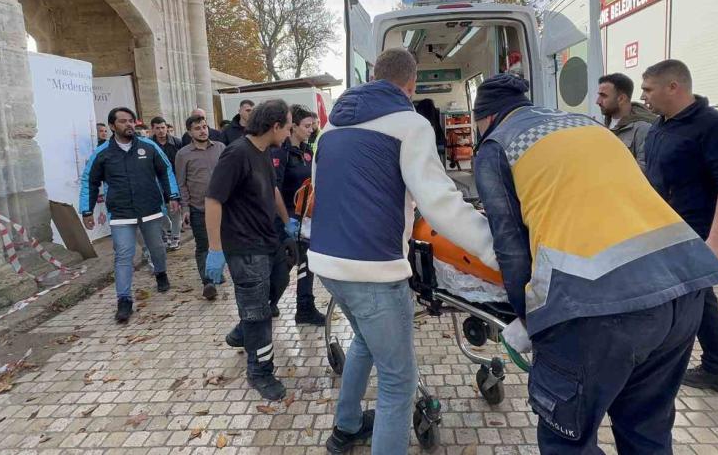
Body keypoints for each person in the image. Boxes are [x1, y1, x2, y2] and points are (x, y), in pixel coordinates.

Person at [471, 72, 718, 454]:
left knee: (567, 442)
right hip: (682, 287)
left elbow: (510, 248)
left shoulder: (497, 147)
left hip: (594, 309)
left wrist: (528, 318)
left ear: (487, 118)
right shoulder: (587, 126)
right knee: (647, 433)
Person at [308, 48, 499, 455]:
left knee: (364, 341)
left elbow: (324, 193)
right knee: (398, 381)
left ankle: (346, 427)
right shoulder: (410, 125)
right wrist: (497, 248)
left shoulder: (329, 129)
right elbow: (440, 203)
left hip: (326, 263)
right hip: (374, 274)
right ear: (411, 86)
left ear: (373, 77)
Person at [641, 59, 718, 398]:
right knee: (696, 299)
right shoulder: (661, 126)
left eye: (648, 89)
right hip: (665, 230)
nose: (643, 97)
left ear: (673, 87)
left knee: (695, 299)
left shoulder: (715, 127)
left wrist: (717, 241)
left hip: (695, 232)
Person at [204, 99, 295, 401]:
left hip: (267, 239)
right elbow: (213, 200)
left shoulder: (264, 151)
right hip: (244, 247)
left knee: (280, 281)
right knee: (258, 314)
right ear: (274, 126)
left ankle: (243, 330)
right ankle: (259, 372)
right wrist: (215, 249)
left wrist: (287, 220)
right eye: (288, 127)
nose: (290, 132)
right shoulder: (237, 154)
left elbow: (273, 189)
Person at [80, 106, 180, 323]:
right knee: (123, 255)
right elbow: (90, 181)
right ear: (112, 126)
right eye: (123, 121)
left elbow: (165, 171)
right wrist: (86, 210)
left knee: (157, 248)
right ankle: (124, 300)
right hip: (121, 213)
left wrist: (172, 196)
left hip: (150, 209)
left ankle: (161, 273)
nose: (129, 125)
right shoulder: (102, 153)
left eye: (131, 121)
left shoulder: (148, 147)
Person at [270, 104, 326, 326]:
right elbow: (273, 188)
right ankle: (265, 304)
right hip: (284, 219)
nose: (311, 129)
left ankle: (305, 308)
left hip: (305, 218)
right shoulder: (280, 153)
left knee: (306, 263)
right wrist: (286, 220)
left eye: (312, 125)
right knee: (283, 266)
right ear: (293, 126)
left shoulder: (307, 152)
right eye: (307, 126)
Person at [174, 115, 226, 300]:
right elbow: (181, 183)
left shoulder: (220, 148)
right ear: (189, 132)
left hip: (224, 206)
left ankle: (217, 270)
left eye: (204, 127)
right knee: (204, 245)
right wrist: (185, 209)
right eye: (197, 128)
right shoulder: (183, 154)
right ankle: (208, 283)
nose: (203, 131)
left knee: (224, 241)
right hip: (198, 208)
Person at [596, 73, 655, 170]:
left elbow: (643, 170)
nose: (598, 101)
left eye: (604, 96)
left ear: (621, 99)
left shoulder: (643, 128)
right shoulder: (603, 126)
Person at [151, 116, 183, 250]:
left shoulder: (177, 143)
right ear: (152, 129)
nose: (161, 131)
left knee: (175, 210)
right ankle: (168, 230)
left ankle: (175, 237)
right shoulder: (149, 145)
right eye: (157, 128)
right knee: (160, 211)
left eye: (163, 127)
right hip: (156, 183)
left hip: (174, 182)